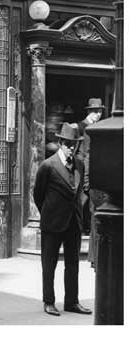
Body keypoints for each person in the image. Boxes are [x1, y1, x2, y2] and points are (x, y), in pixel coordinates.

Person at [34, 122, 92, 316]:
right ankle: (49, 301)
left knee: (73, 264)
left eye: (74, 144)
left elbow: (80, 192)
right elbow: (38, 195)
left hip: (73, 223)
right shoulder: (48, 166)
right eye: (68, 144)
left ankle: (72, 301)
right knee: (49, 264)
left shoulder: (80, 164)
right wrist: (49, 213)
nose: (71, 148)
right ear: (60, 143)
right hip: (52, 222)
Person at [77, 98, 105, 268]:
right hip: (84, 174)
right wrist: (86, 179)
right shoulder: (83, 127)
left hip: (91, 174)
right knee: (80, 207)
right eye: (95, 112)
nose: (98, 115)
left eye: (100, 111)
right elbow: (85, 154)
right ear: (89, 112)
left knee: (91, 211)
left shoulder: (96, 128)